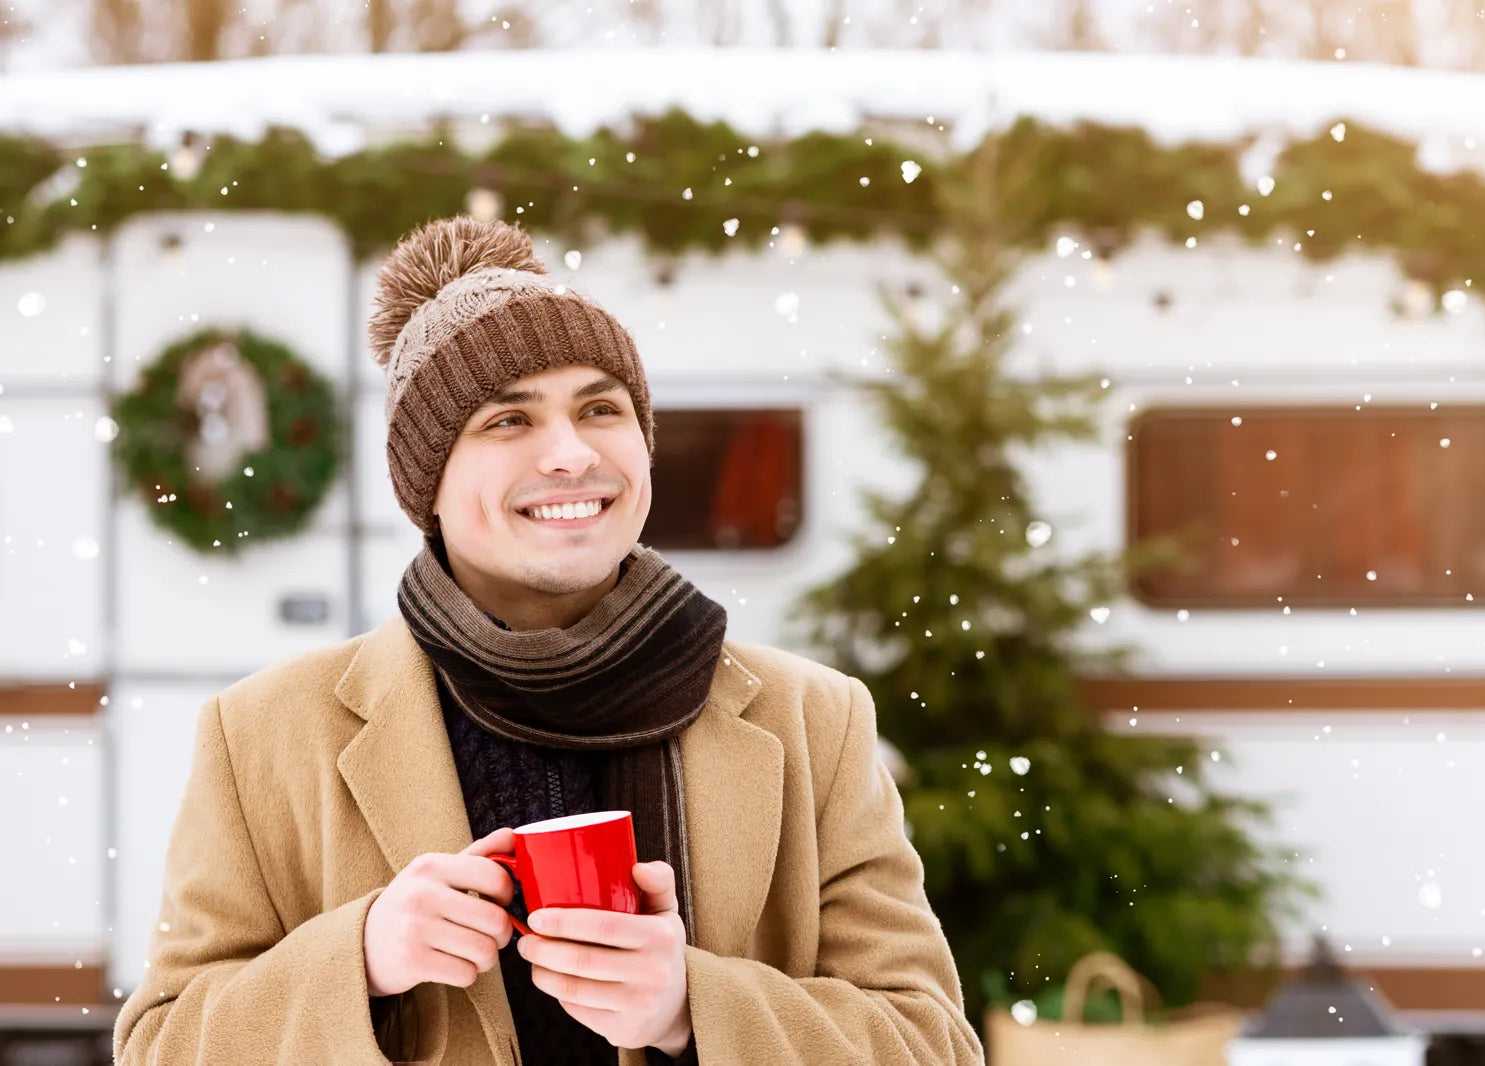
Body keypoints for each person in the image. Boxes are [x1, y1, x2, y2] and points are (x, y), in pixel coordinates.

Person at [113, 216, 983, 1065]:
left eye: (600, 409)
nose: (570, 454)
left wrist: (692, 1008)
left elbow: (932, 1044)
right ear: (429, 484)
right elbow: (160, 1045)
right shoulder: (265, 732)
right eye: (507, 419)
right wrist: (363, 961)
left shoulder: (812, 722)